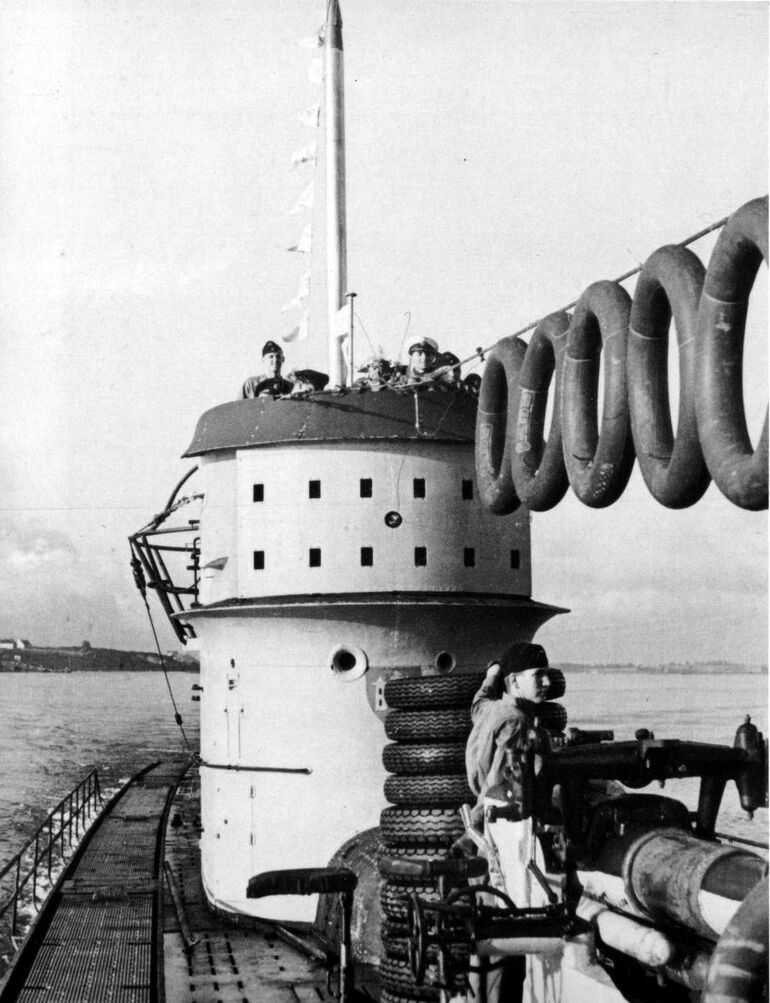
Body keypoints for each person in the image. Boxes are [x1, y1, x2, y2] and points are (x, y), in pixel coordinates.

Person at [463, 642, 558, 1003]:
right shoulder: (516, 722)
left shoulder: (490, 709)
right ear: (515, 681)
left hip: (486, 823)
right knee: (513, 923)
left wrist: (492, 675)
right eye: (538, 676)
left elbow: (478, 702)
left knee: (487, 918)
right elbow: (519, 777)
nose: (547, 683)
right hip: (508, 827)